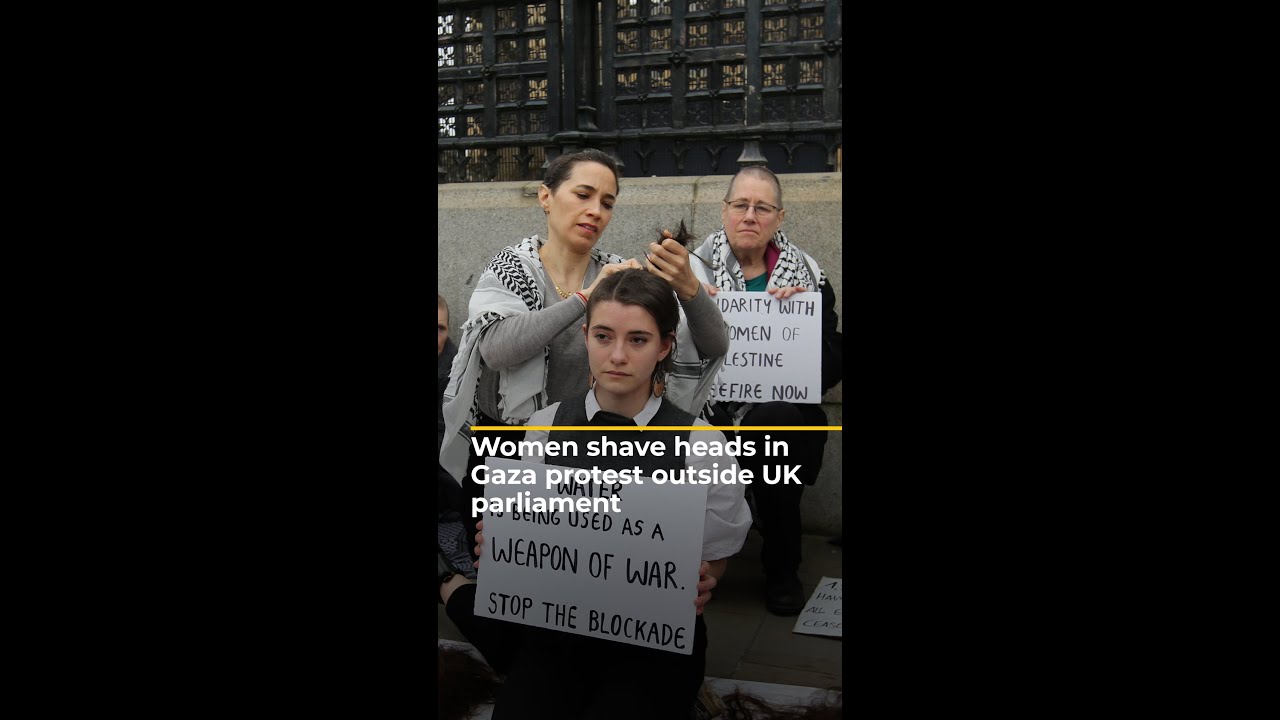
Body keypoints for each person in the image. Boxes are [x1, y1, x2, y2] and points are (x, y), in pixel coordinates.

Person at [439, 269, 750, 719]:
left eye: (638, 340)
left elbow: (715, 557)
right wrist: (502, 545)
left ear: (664, 346)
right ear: (585, 336)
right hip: (557, 631)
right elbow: (525, 542)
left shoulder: (701, 446)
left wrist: (705, 580)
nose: (617, 355)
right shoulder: (543, 428)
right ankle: (451, 585)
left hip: (653, 641)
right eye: (603, 336)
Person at [440, 149, 730, 567]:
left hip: (585, 449)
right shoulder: (512, 268)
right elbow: (497, 347)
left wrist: (688, 287)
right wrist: (584, 298)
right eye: (583, 194)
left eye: (607, 203)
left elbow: (714, 344)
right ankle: (451, 585)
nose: (595, 211)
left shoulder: (615, 272)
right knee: (508, 582)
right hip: (505, 447)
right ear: (546, 197)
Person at [690, 166, 843, 616]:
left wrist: (802, 323)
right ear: (724, 211)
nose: (750, 215)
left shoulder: (809, 276)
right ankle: (684, 558)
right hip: (705, 407)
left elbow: (832, 360)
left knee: (775, 424)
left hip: (777, 417)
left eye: (762, 207)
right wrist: (692, 305)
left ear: (780, 217)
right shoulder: (688, 271)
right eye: (741, 205)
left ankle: (782, 568)